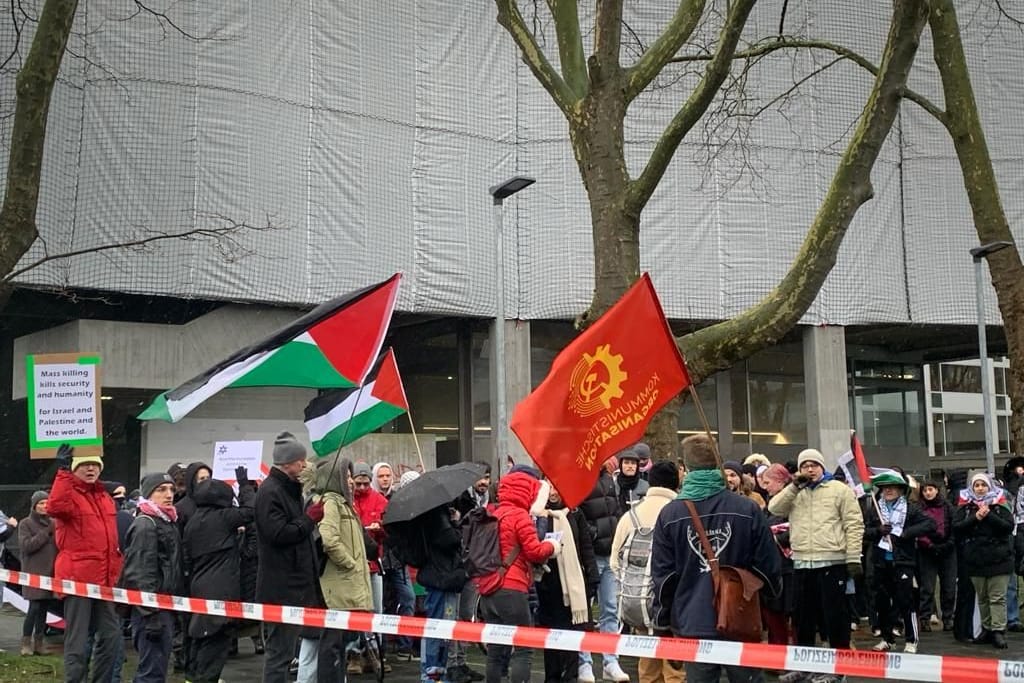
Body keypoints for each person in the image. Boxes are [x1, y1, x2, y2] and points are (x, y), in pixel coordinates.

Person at [651, 434, 781, 683]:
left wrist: (662, 622)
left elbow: (664, 578)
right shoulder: (747, 509)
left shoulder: (670, 514)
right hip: (741, 616)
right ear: (719, 465)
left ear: (686, 469)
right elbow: (769, 566)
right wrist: (767, 601)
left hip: (693, 620)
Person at [768, 448, 863, 683]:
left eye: (814, 465)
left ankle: (837, 668)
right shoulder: (795, 492)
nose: (809, 469)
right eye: (804, 466)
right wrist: (793, 486)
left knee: (834, 619)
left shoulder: (839, 490)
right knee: (803, 619)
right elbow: (774, 508)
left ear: (822, 466)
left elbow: (854, 523)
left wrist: (853, 557)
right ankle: (804, 666)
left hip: (832, 560)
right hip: (801, 562)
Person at [47, 445, 124, 683]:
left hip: (104, 580)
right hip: (77, 580)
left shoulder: (104, 497)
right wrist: (62, 472)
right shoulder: (68, 494)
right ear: (74, 468)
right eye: (83, 464)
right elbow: (55, 506)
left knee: (112, 638)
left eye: (94, 464)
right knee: (77, 642)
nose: (90, 468)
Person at [479, 470, 560, 683]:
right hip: (512, 588)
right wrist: (552, 546)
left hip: (488, 588)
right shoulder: (520, 516)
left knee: (496, 650)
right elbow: (534, 551)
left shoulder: (491, 513)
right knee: (524, 648)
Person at [255, 432, 323, 683]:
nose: (304, 465)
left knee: (286, 652)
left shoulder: (288, 490)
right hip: (281, 587)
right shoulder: (270, 492)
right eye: (300, 461)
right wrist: (309, 519)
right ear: (287, 463)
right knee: (279, 654)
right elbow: (279, 533)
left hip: (295, 584)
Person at [610, 462, 683, 683]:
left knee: (648, 669)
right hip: (674, 604)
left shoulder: (631, 516)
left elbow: (615, 562)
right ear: (677, 483)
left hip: (641, 602)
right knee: (675, 671)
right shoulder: (683, 512)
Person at [183, 469, 256, 683]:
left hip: (198, 587)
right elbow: (251, 510)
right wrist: (244, 485)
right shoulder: (224, 517)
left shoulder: (193, 522)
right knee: (215, 643)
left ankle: (194, 677)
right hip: (221, 590)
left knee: (200, 638)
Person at [308, 454, 373, 682]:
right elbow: (329, 539)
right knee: (333, 646)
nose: (352, 481)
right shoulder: (331, 502)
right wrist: (350, 563)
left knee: (341, 644)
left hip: (346, 586)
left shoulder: (344, 504)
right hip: (338, 587)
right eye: (346, 476)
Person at [120, 472, 183, 683]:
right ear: (149, 494)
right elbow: (140, 573)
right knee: (151, 673)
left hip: (164, 606)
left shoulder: (167, 520)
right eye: (161, 490)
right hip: (151, 612)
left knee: (157, 669)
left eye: (172, 489)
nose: (169, 495)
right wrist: (150, 614)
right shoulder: (146, 525)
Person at [863, 471, 934, 654]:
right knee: (882, 602)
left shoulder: (911, 508)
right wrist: (878, 530)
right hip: (880, 561)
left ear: (901, 490)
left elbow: (929, 524)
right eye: (885, 488)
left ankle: (911, 639)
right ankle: (887, 639)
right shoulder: (876, 509)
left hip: (903, 561)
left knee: (905, 600)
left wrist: (906, 533)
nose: (888, 491)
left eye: (892, 487)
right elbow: (865, 532)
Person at [537, 479, 598, 683]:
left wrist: (592, 577)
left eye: (556, 486)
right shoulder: (538, 516)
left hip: (572, 586)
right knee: (550, 636)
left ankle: (571, 676)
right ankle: (552, 677)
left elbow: (585, 547)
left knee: (572, 634)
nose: (553, 492)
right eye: (549, 487)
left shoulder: (574, 513)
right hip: (548, 584)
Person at [577, 456, 628, 683]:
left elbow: (615, 510)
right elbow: (577, 515)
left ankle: (610, 660)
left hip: (609, 554)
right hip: (590, 555)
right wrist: (594, 533)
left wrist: (616, 531)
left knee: (610, 608)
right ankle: (585, 662)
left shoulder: (608, 479)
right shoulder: (579, 480)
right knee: (585, 613)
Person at [953, 472, 1015, 649]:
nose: (980, 488)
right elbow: (957, 528)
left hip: (998, 558)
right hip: (975, 559)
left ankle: (998, 631)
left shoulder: (1000, 504)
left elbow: (1008, 527)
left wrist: (989, 515)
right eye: (977, 486)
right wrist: (976, 517)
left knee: (997, 597)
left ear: (990, 486)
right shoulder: (965, 507)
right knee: (983, 598)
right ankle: (986, 629)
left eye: (983, 485)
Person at [350, 462, 389, 674]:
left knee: (377, 610)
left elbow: (389, 531)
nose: (363, 488)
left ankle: (374, 653)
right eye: (358, 483)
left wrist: (380, 529)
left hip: (374, 565)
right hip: (353, 566)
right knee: (357, 611)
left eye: (366, 483)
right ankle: (354, 654)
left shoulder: (380, 500)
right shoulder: (347, 502)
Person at [759, 463, 795, 646]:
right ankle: (777, 653)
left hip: (788, 567)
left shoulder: (792, 502)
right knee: (773, 614)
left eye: (768, 482)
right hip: (771, 567)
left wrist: (776, 537)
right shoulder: (768, 503)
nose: (765, 486)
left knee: (790, 613)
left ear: (780, 482)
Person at [18, 491, 55, 656]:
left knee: (44, 610)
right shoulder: (25, 524)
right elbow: (27, 546)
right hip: (33, 574)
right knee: (34, 608)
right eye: (41, 503)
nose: (44, 506)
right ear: (34, 505)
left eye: (47, 502)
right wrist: (46, 532)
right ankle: (26, 642)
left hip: (50, 574)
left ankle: (39, 643)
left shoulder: (54, 522)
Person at [916, 479, 956, 632]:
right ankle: (925, 618)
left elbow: (954, 527)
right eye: (925, 490)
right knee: (927, 587)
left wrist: (948, 543)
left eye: (930, 489)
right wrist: (929, 544)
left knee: (949, 587)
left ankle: (948, 618)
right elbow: (918, 529)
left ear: (937, 490)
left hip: (948, 550)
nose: (928, 493)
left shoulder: (948, 507)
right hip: (927, 551)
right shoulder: (919, 508)